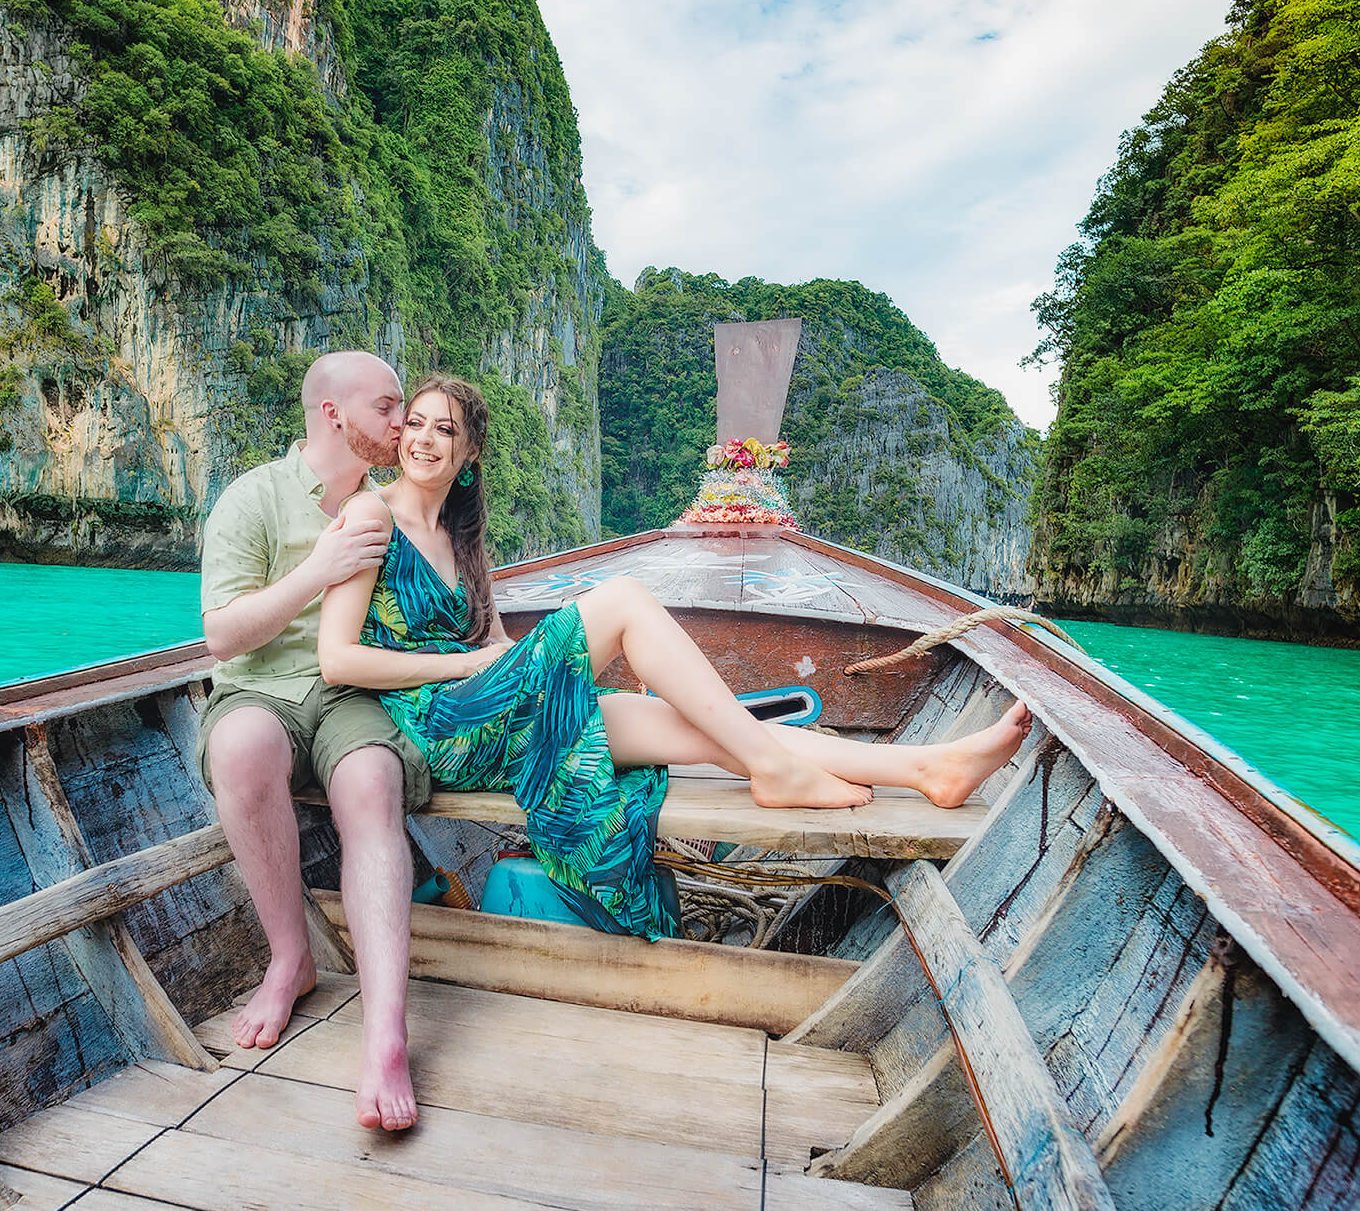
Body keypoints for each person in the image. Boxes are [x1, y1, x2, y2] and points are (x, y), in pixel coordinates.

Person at [318, 375, 1033, 939]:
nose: (425, 439)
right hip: (429, 725)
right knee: (625, 599)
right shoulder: (371, 514)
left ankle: (925, 768)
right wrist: (465, 668)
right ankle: (777, 769)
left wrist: (506, 663)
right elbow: (338, 660)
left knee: (705, 733)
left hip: (486, 710)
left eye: (446, 430)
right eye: (415, 423)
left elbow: (497, 647)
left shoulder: (464, 538)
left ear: (470, 453)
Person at [198, 349, 429, 1132]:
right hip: (261, 688)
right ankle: (289, 956)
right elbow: (222, 638)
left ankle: (386, 1035)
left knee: (370, 785)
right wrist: (317, 569)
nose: (402, 425)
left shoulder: (391, 505)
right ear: (333, 413)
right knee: (240, 750)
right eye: (387, 408)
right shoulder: (253, 499)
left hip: (352, 694)